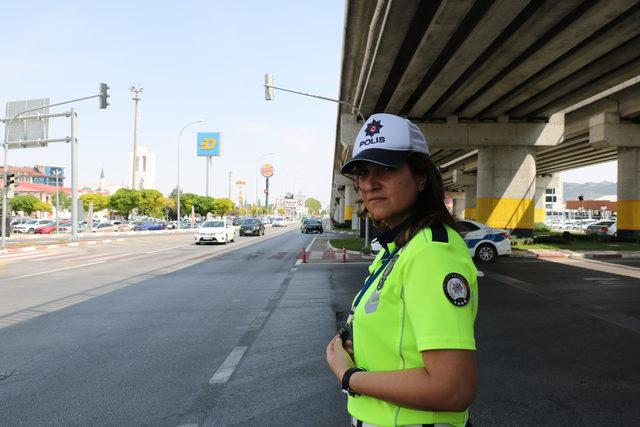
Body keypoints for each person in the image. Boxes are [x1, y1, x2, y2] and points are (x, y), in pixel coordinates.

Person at [326, 113, 478, 427]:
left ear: (421, 178)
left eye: (387, 168)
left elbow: (452, 389)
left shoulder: (433, 252)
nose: (369, 183)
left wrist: (349, 376)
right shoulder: (399, 248)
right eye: (363, 172)